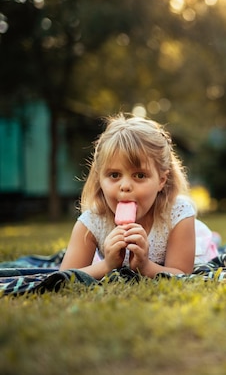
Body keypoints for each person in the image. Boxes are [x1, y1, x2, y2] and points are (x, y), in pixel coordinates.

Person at [60, 113, 198, 279]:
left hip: (186, 236)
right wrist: (107, 265)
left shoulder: (178, 215)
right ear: (99, 178)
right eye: (114, 175)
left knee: (203, 243)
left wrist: (145, 266)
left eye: (139, 175)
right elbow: (66, 277)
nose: (125, 186)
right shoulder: (92, 222)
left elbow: (182, 274)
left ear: (161, 180)